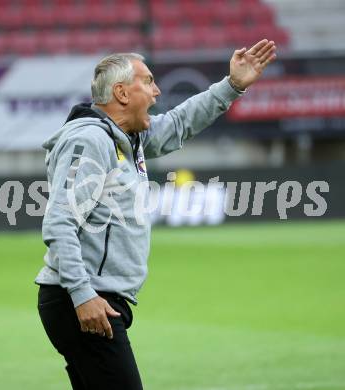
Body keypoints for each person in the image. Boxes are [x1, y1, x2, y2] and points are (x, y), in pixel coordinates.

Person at [35, 39, 276, 390]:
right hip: (84, 300)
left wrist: (233, 85)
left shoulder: (127, 138)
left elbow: (179, 124)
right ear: (121, 93)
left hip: (93, 298)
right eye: (148, 81)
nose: (157, 91)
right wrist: (83, 294)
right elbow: (59, 222)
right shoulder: (90, 141)